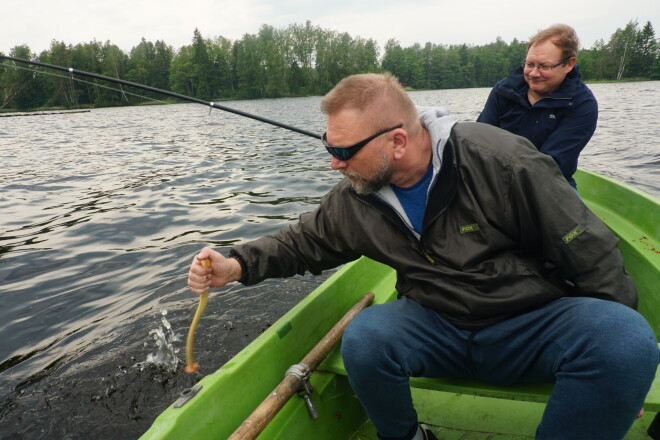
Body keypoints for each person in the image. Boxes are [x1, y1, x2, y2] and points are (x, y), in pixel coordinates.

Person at [187, 73, 658, 440]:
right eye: (329, 147)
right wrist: (236, 264)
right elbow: (301, 242)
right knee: (366, 337)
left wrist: (620, 377)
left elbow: (588, 250)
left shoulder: (503, 161)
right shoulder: (357, 194)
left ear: (397, 141)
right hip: (439, 327)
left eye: (344, 150)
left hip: (528, 323)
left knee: (626, 342)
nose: (333, 162)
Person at [477, 24, 597, 190]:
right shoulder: (503, 90)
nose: (533, 73)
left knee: (575, 216)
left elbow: (550, 165)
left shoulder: (582, 104)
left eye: (544, 66)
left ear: (569, 64)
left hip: (551, 184)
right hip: (494, 178)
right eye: (529, 64)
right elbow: (479, 140)